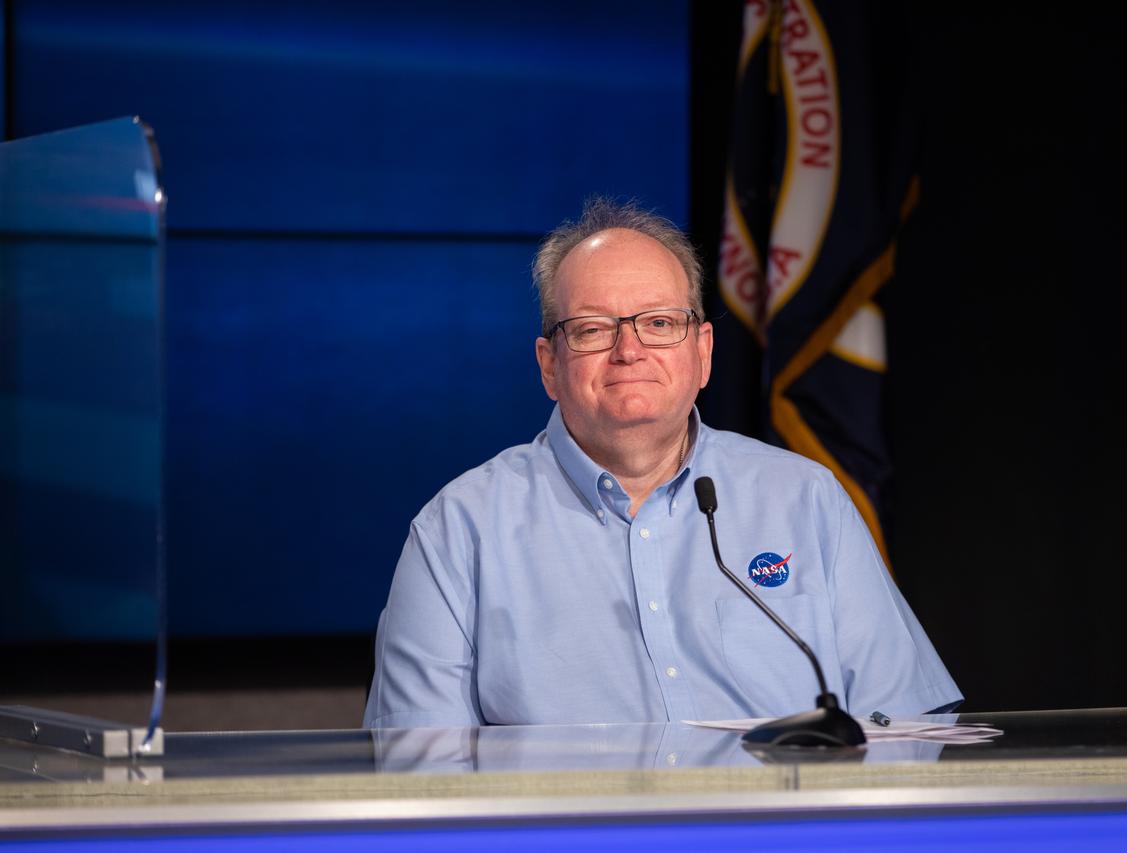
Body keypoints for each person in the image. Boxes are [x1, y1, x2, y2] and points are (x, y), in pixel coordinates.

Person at [363, 199, 960, 729]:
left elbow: (903, 725)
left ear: (702, 353)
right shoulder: (457, 531)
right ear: (549, 365)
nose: (629, 351)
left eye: (658, 323)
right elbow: (420, 770)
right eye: (593, 329)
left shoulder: (806, 498)